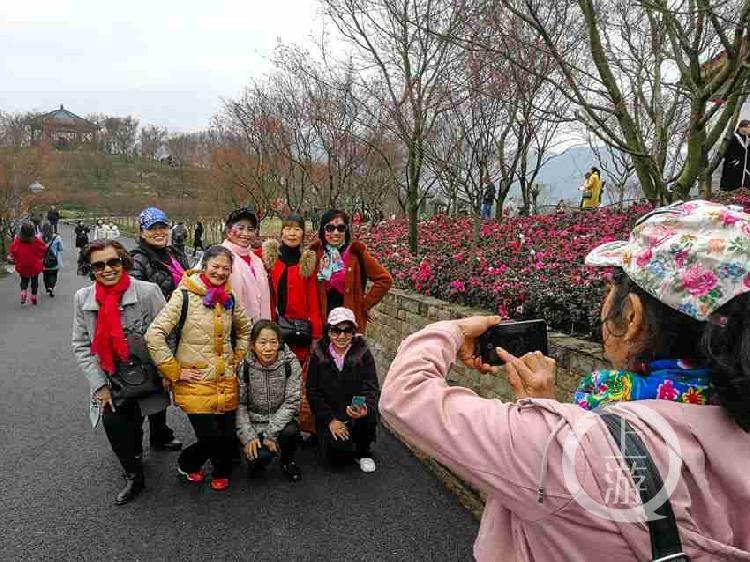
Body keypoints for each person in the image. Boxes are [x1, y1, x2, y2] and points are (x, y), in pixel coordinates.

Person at [380, 199, 750, 561]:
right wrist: (553, 411)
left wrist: (453, 330)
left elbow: (406, 394)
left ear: (633, 315)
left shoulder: (575, 450)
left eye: (613, 285)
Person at [72, 239, 169, 505]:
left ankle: (152, 442)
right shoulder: (83, 298)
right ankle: (133, 475)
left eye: (113, 262)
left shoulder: (148, 292)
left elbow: (167, 333)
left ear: (123, 261)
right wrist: (99, 385)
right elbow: (81, 344)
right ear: (90, 269)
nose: (107, 269)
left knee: (146, 417)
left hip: (148, 372)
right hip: (111, 376)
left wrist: (166, 371)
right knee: (115, 424)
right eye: (99, 265)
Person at [146, 246, 251, 491]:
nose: (220, 272)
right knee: (209, 436)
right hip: (194, 380)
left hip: (225, 378)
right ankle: (188, 462)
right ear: (204, 266)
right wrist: (173, 370)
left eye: (226, 268)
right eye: (215, 266)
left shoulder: (230, 296)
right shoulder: (183, 295)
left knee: (226, 434)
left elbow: (245, 329)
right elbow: (154, 335)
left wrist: (237, 357)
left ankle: (221, 470)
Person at [129, 206, 188, 452]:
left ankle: (160, 433)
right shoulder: (137, 259)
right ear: (142, 231)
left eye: (162, 226)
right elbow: (135, 296)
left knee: (163, 385)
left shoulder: (174, 254)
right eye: (152, 228)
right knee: (147, 387)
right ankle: (133, 444)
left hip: (177, 327)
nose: (159, 232)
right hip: (152, 329)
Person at [261, 214, 322, 433]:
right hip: (276, 329)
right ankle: (274, 425)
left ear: (303, 234)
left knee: (298, 381)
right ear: (281, 232)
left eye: (297, 229)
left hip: (300, 331)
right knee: (276, 377)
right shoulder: (269, 259)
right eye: (288, 228)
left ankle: (297, 424)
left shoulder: (308, 263)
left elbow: (314, 300)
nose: (292, 233)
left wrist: (316, 334)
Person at [307, 307, 379, 472]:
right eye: (335, 331)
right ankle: (331, 438)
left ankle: (363, 452)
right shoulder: (317, 354)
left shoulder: (364, 354)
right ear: (328, 331)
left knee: (369, 415)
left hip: (356, 413)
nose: (341, 336)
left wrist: (365, 407)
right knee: (335, 458)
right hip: (331, 414)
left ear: (354, 332)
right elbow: (312, 392)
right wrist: (331, 420)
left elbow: (372, 387)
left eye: (347, 331)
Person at [237, 320, 303, 482]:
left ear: (279, 343)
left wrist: (270, 434)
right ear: (253, 345)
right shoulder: (244, 365)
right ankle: (256, 457)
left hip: (281, 419)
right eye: (262, 342)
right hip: (254, 421)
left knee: (291, 432)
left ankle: (288, 461)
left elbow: (292, 402)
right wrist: (248, 437)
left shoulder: (290, 363)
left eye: (273, 342)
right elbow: (240, 404)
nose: (268, 348)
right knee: (258, 459)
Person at [310, 209, 392, 334]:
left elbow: (384, 280)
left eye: (341, 228)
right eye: (330, 228)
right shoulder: (315, 254)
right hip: (323, 325)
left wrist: (363, 306)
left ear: (346, 230)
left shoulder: (356, 253)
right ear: (323, 230)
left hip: (349, 325)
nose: (336, 232)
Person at [221, 208, 271, 323]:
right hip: (229, 327)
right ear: (229, 231)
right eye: (241, 228)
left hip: (258, 330)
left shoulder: (257, 261)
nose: (245, 234)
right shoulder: (219, 256)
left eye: (250, 229)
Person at [9, 222, 47, 305]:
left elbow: (13, 250)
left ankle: (23, 292)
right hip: (34, 264)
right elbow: (43, 250)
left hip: (22, 264)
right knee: (34, 280)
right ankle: (33, 296)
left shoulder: (18, 240)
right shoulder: (36, 240)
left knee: (24, 280)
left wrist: (16, 258)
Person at [720, 119, 750, 191]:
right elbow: (725, 152)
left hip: (744, 171)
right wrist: (735, 161)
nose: (749, 129)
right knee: (732, 189)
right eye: (748, 127)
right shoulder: (732, 137)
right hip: (733, 169)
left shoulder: (747, 140)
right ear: (740, 127)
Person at [41, 222, 63, 297]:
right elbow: (61, 248)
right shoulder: (57, 238)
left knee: (45, 275)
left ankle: (47, 287)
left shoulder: (39, 237)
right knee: (53, 274)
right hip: (54, 260)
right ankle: (51, 287)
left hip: (43, 260)